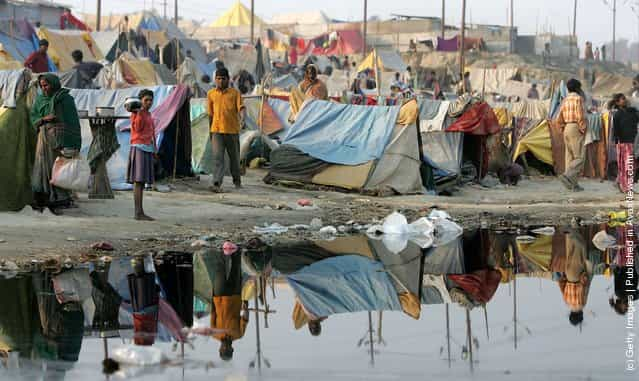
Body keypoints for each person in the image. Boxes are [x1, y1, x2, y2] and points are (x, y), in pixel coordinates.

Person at [30, 74, 82, 214]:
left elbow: (72, 121)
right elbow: (33, 116)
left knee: (59, 169)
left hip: (60, 141)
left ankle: (60, 200)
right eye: (41, 86)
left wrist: (71, 141)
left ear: (53, 84)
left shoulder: (65, 99)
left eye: (46, 85)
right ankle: (43, 199)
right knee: (43, 167)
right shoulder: (40, 99)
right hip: (44, 139)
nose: (44, 88)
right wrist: (44, 119)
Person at [207, 68, 245, 193]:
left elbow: (241, 108)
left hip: (232, 131)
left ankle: (237, 181)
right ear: (215, 79)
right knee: (218, 158)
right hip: (216, 130)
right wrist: (210, 131)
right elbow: (210, 114)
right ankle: (217, 182)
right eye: (218, 78)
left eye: (223, 78)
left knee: (234, 158)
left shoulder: (235, 93)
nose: (221, 81)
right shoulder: (211, 94)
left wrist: (243, 118)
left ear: (228, 79)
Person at [210, 250, 249, 361]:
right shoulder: (238, 334)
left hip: (219, 296)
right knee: (236, 267)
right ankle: (235, 247)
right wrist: (245, 307)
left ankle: (223, 247)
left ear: (219, 349)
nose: (225, 347)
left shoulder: (214, 334)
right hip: (235, 295)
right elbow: (245, 319)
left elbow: (213, 313)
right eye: (228, 350)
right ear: (232, 349)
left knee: (219, 269)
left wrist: (212, 296)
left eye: (223, 350)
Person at [552, 226, 592, 327]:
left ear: (580, 315)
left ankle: (572, 231)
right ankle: (568, 234)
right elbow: (562, 286)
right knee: (570, 252)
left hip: (578, 276)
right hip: (568, 275)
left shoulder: (582, 304)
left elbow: (585, 288)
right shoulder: (567, 303)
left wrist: (588, 274)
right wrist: (561, 277)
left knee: (579, 250)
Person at [126, 89, 157, 221]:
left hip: (147, 148)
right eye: (146, 100)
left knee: (142, 181)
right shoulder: (135, 114)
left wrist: (155, 148)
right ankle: (138, 212)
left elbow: (152, 132)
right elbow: (138, 128)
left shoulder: (149, 114)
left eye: (150, 100)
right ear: (140, 101)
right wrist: (138, 112)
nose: (149, 103)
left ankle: (140, 211)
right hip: (139, 148)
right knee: (138, 181)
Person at [554, 78, 586, 192]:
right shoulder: (578, 98)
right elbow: (580, 115)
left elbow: (558, 117)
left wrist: (562, 128)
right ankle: (567, 176)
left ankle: (572, 185)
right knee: (580, 157)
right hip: (575, 127)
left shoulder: (565, 99)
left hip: (566, 127)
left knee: (570, 157)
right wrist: (582, 128)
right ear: (578, 88)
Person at [609, 93, 639, 193]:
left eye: (625, 98)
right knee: (627, 166)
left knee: (629, 165)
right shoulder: (617, 115)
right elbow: (616, 130)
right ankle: (626, 188)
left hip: (632, 142)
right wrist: (616, 142)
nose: (625, 100)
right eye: (622, 99)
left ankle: (620, 183)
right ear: (617, 102)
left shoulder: (632, 112)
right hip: (623, 143)